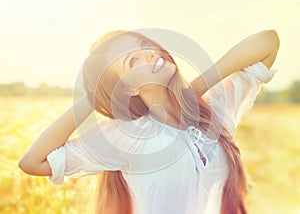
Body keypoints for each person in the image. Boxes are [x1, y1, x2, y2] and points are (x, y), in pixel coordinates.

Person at [19, 29, 280, 214]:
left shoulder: (213, 110)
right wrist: (94, 95)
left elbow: (268, 41)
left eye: (142, 44)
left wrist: (194, 90)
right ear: (127, 88)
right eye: (132, 61)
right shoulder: (127, 135)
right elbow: (33, 162)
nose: (148, 54)